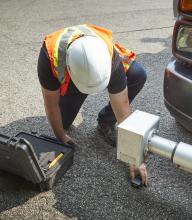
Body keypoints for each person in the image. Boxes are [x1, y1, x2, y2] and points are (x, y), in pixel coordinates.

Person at [37, 24, 148, 185]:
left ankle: (106, 120)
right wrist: (60, 136)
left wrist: (134, 157)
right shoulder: (49, 56)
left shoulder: (109, 58)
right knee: (64, 121)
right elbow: (51, 104)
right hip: (73, 71)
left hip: (95, 66)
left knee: (137, 74)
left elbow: (123, 111)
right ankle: (76, 92)